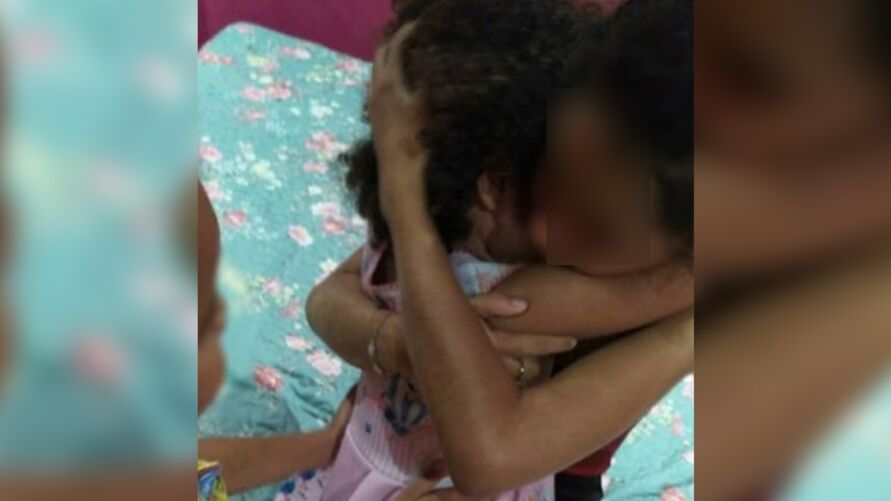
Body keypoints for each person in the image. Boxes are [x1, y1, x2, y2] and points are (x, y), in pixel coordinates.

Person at [302, 0, 694, 499]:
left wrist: (403, 197)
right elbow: (330, 297)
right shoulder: (499, 207)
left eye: (597, 228)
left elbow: (489, 457)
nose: (553, 230)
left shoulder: (544, 291)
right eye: (550, 170)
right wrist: (393, 341)